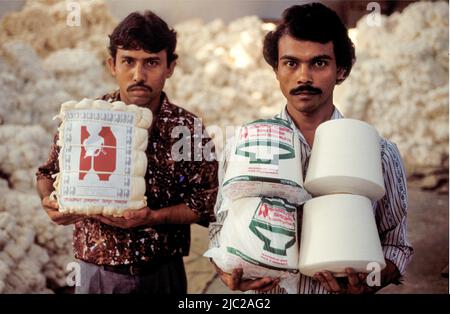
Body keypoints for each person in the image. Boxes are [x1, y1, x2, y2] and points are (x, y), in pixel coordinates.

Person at [209, 2, 413, 294]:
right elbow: (220, 229)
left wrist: (369, 283)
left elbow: (397, 245)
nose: (303, 77)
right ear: (276, 70)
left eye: (319, 63)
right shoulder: (243, 149)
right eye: (291, 63)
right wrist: (226, 270)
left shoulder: (378, 154)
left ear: (341, 70)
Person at [36, 11, 218, 294]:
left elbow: (207, 200)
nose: (138, 75)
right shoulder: (86, 119)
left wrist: (154, 218)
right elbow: (47, 174)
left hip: (162, 274)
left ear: (170, 66)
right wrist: (50, 201)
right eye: (128, 61)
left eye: (152, 62)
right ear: (112, 64)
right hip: (95, 273)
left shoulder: (187, 128)